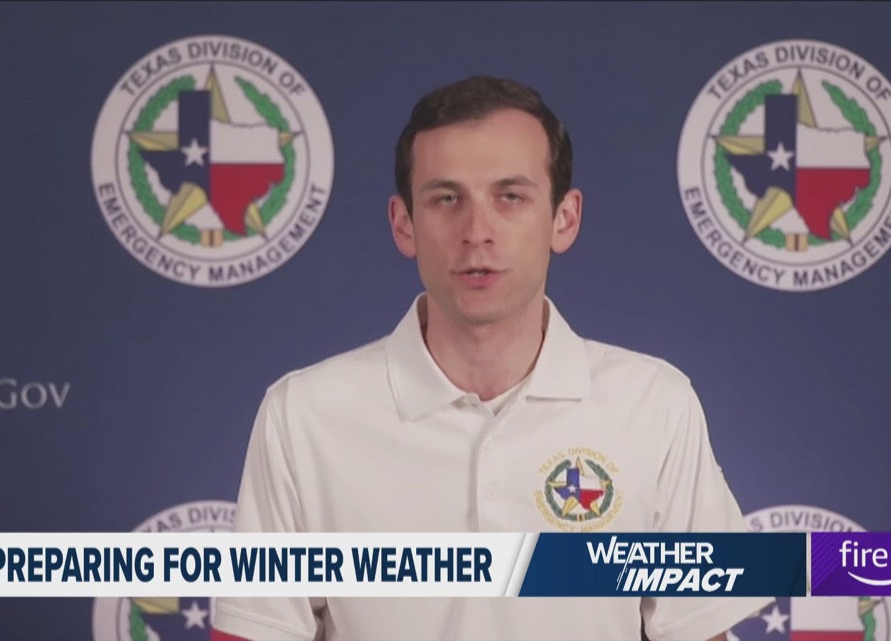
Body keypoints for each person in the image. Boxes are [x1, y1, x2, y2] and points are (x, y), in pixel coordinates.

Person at [212, 75, 771, 641]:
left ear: (564, 218)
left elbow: (700, 629)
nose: (477, 232)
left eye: (510, 197)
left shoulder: (655, 406)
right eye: (446, 198)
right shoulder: (302, 415)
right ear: (404, 224)